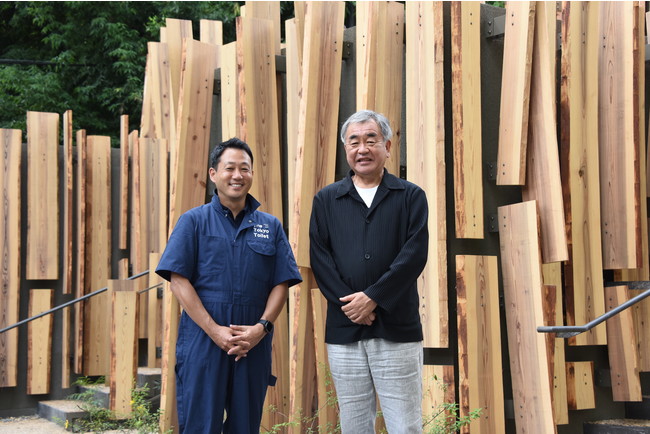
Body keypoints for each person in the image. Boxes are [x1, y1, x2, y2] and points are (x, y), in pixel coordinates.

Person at [156, 138, 302, 433]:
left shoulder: (270, 226)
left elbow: (282, 282)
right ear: (213, 174)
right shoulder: (193, 222)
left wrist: (261, 328)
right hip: (203, 342)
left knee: (245, 425)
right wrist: (215, 331)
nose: (238, 175)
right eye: (230, 168)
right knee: (202, 424)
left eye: (244, 169)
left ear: (251, 175)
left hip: (252, 343)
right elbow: (178, 280)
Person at [309, 110, 429, 433]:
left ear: (387, 146)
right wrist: (353, 305)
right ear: (346, 149)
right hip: (344, 330)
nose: (362, 149)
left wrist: (373, 297)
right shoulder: (326, 200)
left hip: (397, 329)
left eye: (371, 140)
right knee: (354, 425)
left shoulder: (410, 196)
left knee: (405, 425)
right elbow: (320, 259)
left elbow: (413, 255)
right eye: (354, 142)